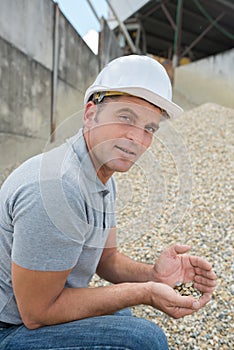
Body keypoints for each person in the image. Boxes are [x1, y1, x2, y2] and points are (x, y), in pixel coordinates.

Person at [0, 55, 216, 350]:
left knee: (121, 313)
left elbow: (107, 260)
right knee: (143, 339)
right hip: (9, 328)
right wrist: (145, 293)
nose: (136, 138)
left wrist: (154, 276)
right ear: (91, 114)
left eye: (149, 128)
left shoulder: (102, 177)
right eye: (125, 117)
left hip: (30, 316)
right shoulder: (57, 186)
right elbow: (37, 313)